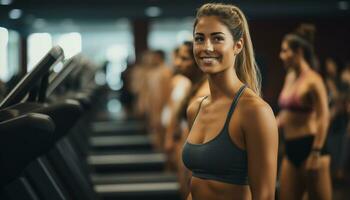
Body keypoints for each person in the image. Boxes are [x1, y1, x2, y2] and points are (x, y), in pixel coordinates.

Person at [182, 3, 278, 200]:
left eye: (217, 38)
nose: (206, 47)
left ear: (237, 45)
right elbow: (197, 184)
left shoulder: (255, 111)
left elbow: (265, 196)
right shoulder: (196, 109)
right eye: (199, 39)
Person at [277, 24, 332, 200]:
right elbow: (285, 113)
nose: (281, 55)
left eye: (285, 51)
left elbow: (324, 117)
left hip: (311, 146)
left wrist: (316, 152)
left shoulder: (314, 80)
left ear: (298, 51)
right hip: (291, 148)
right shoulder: (290, 76)